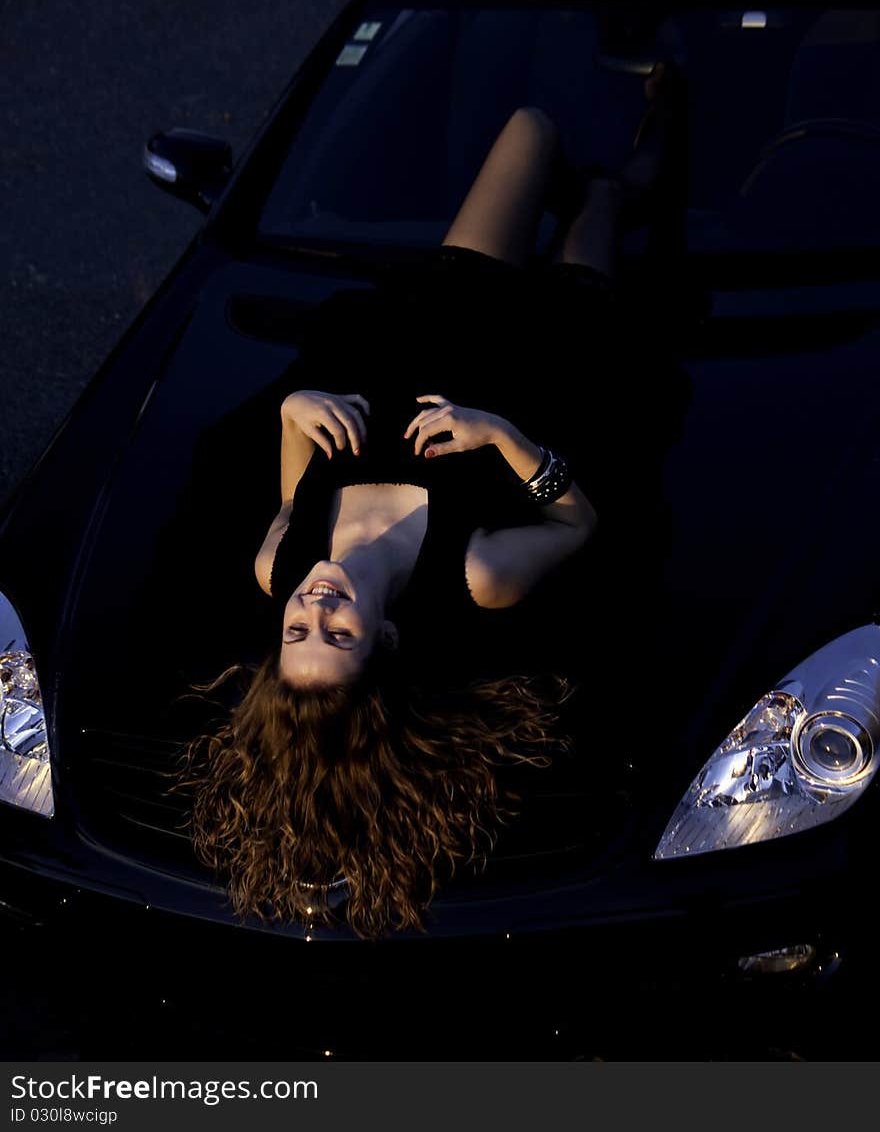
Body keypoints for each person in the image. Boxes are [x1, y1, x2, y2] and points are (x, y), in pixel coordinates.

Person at [172, 62, 689, 937]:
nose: (315, 608)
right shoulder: (477, 574)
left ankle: (599, 98)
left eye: (298, 632)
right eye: (337, 636)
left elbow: (298, 484)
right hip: (554, 355)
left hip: (453, 310)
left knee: (529, 123)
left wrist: (296, 415)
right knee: (605, 200)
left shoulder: (278, 563)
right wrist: (501, 437)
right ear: (387, 639)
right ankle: (663, 114)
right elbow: (579, 518)